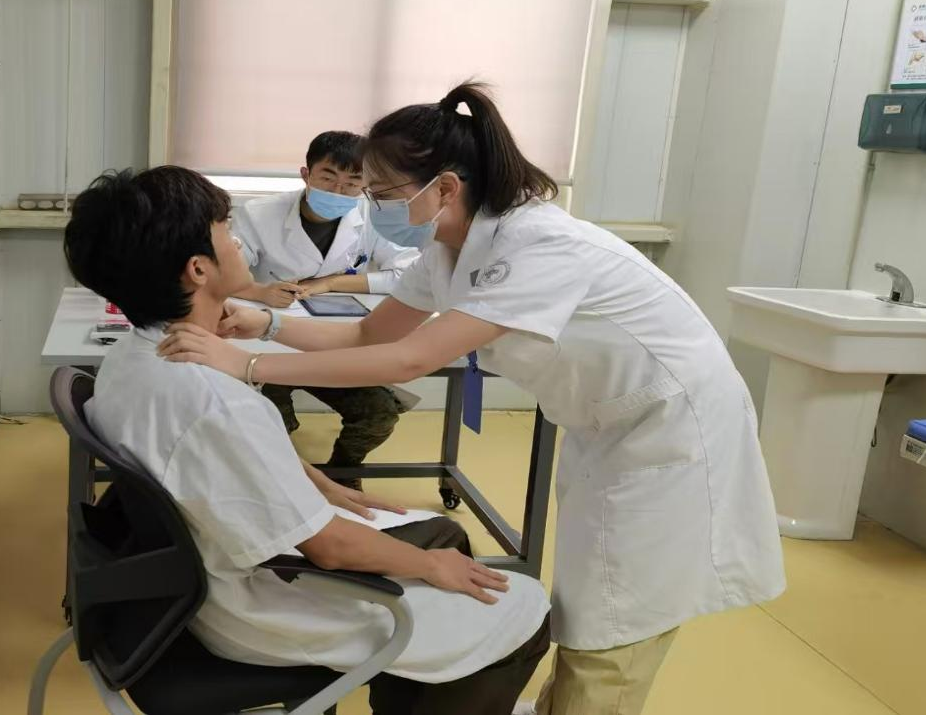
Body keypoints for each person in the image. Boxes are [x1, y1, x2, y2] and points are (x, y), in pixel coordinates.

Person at [157, 83, 788, 715]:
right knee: (593, 599)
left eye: (382, 193)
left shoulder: (540, 245)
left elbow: (412, 358)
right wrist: (266, 324)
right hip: (609, 428)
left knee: (617, 620)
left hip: (672, 430)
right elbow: (371, 334)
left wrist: (249, 365)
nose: (372, 206)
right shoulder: (447, 249)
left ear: (446, 188)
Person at [63, 166, 552, 715]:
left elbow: (216, 458)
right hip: (260, 605)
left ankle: (412, 689)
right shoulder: (213, 401)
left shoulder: (130, 359)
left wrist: (313, 480)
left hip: (193, 578)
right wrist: (430, 567)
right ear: (198, 269)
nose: (237, 240)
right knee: (524, 606)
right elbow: (329, 547)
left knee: (443, 533)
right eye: (225, 229)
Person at [231, 130, 420, 485]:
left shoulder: (373, 217)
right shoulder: (258, 214)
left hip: (338, 342)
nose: (339, 192)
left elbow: (409, 274)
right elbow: (224, 272)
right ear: (306, 174)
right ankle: (286, 480)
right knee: (271, 420)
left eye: (352, 183)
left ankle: (341, 475)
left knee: (378, 414)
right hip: (270, 341)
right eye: (328, 178)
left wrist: (332, 283)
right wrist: (259, 291)